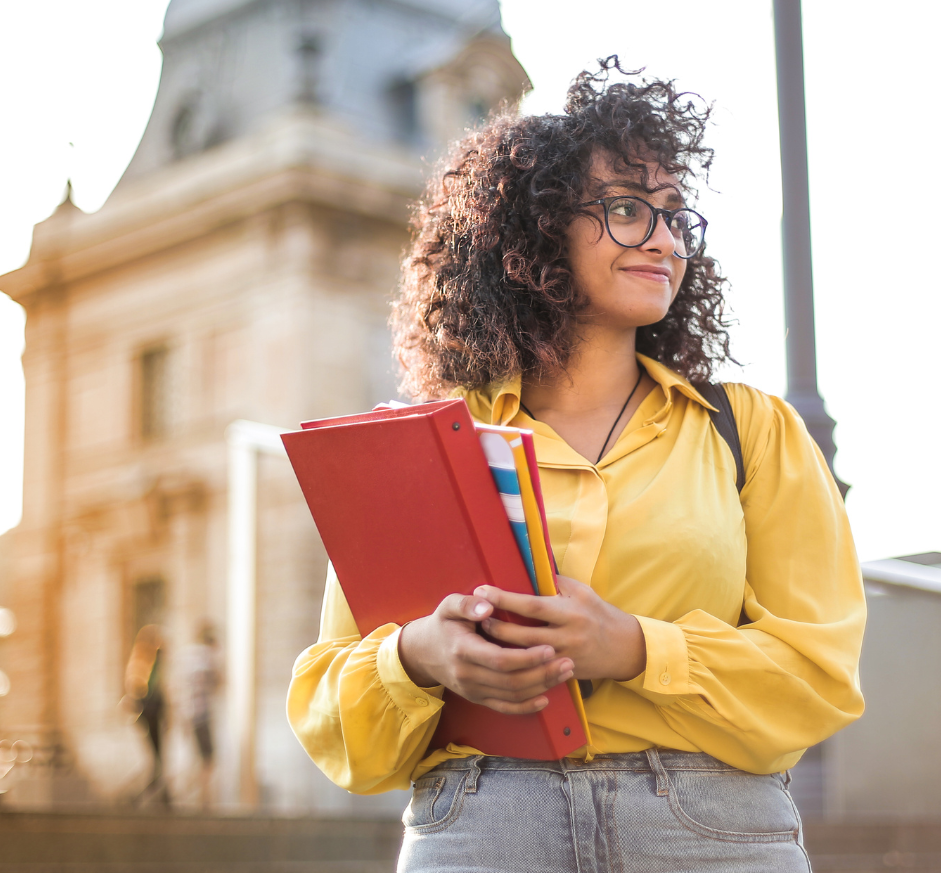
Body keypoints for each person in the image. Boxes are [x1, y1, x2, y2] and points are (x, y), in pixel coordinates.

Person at [288, 58, 865, 872]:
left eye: (674, 215)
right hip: (485, 824)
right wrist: (419, 656)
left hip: (710, 831)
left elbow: (819, 675)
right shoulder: (423, 447)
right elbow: (334, 717)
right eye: (627, 209)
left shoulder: (750, 432)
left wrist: (634, 647)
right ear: (538, 231)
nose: (664, 239)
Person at [125, 624, 168, 806]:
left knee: (158, 754)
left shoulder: (154, 662)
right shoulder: (142, 662)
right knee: (154, 755)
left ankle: (163, 794)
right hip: (148, 712)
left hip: (154, 712)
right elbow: (136, 687)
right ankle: (151, 792)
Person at [184, 621, 222, 810]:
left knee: (200, 758)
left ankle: (200, 796)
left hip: (190, 714)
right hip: (202, 715)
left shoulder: (189, 657)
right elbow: (218, 681)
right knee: (208, 759)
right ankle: (203, 799)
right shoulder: (206, 657)